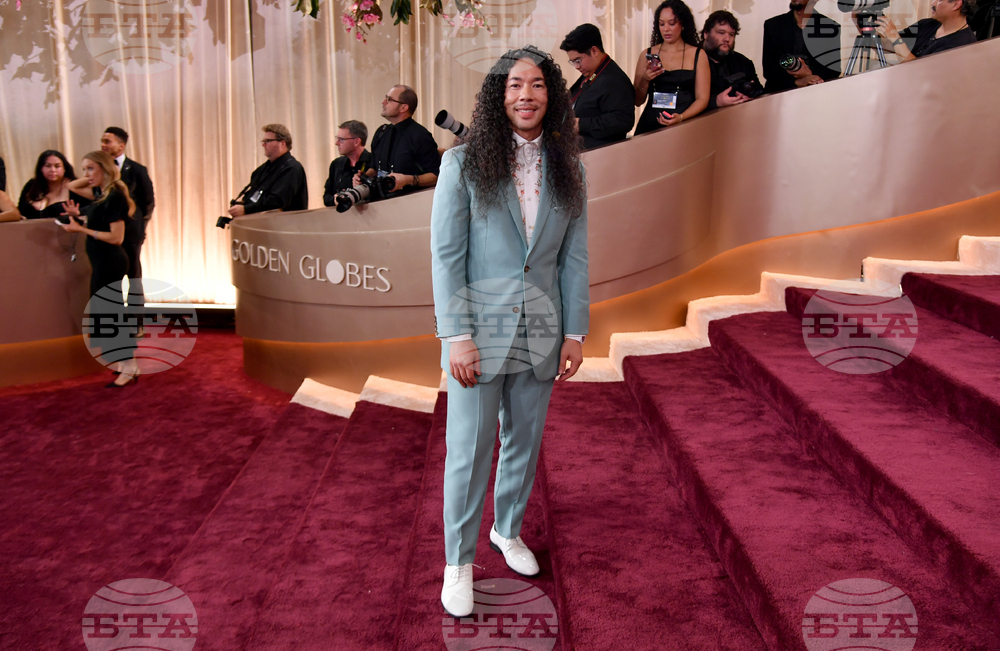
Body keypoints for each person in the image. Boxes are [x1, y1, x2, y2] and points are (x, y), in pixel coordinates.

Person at [431, 45, 589, 619]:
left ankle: (507, 530)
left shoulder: (569, 166)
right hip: (479, 332)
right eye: (515, 85)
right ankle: (457, 563)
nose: (527, 95)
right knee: (469, 453)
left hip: (544, 332)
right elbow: (446, 257)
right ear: (499, 96)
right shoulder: (463, 163)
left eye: (539, 85)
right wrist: (456, 336)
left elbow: (574, 257)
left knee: (524, 442)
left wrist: (576, 331)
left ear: (553, 95)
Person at [59, 151, 139, 388]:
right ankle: (126, 364)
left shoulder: (114, 195)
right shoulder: (102, 193)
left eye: (91, 169)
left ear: (105, 168)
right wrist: (81, 218)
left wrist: (80, 229)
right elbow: (73, 185)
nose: (86, 175)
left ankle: (130, 365)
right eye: (84, 169)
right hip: (102, 262)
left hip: (111, 261)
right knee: (106, 313)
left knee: (112, 315)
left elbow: (116, 237)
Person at [633, 0, 711, 135]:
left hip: (685, 125)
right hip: (650, 125)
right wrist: (645, 80)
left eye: (671, 23)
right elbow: (637, 101)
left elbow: (702, 98)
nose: (666, 29)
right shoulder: (647, 54)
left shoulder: (698, 54)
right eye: (661, 24)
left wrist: (681, 117)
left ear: (683, 24)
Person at [101, 127, 155, 312]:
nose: (103, 145)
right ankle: (114, 321)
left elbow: (148, 202)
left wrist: (139, 225)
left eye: (107, 141)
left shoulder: (137, 170)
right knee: (110, 278)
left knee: (134, 276)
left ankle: (136, 321)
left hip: (132, 232)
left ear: (121, 145)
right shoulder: (99, 170)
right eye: (102, 141)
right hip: (106, 233)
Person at [559, 23, 635, 149]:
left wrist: (580, 124)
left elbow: (623, 121)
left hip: (600, 156)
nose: (576, 67)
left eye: (578, 60)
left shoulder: (614, 80)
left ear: (594, 51)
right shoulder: (592, 72)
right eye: (573, 62)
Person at [357, 85, 440, 197]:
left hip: (409, 204)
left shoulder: (420, 135)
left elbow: (436, 176)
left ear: (403, 108)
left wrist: (408, 180)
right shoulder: (381, 132)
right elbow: (375, 167)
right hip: (378, 204)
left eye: (389, 99)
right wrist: (363, 178)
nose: (383, 102)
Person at [228, 124, 308, 218]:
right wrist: (244, 204)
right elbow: (255, 196)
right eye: (263, 141)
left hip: (284, 227)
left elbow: (277, 201)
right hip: (261, 225)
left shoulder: (292, 169)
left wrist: (247, 209)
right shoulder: (262, 170)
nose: (263, 144)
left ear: (282, 143)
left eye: (268, 141)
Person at [762, 0, 842, 93]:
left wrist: (808, 74)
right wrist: (796, 82)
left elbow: (833, 70)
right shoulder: (773, 25)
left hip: (816, 93)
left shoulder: (830, 27)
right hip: (779, 94)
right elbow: (769, 70)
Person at [876, 0, 977, 61]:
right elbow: (892, 46)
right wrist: (869, 30)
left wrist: (895, 38)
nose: (933, 3)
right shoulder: (927, 24)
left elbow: (918, 72)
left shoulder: (962, 45)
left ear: (956, 4)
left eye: (939, 0)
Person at [702, 11, 763, 109]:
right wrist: (716, 101)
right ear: (706, 34)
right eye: (721, 33)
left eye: (731, 34)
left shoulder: (744, 63)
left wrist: (749, 95)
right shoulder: (691, 60)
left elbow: (759, 91)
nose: (727, 39)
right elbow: (684, 100)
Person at [16, 150, 89, 220]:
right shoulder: (31, 185)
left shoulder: (74, 186)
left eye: (57, 166)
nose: (53, 170)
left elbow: (90, 208)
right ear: (41, 168)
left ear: (65, 168)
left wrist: (78, 213)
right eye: (48, 166)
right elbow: (20, 209)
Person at [323, 120, 372, 206]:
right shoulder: (336, 164)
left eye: (341, 139)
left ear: (356, 142)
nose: (336, 143)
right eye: (337, 138)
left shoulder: (373, 163)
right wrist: (335, 199)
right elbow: (326, 197)